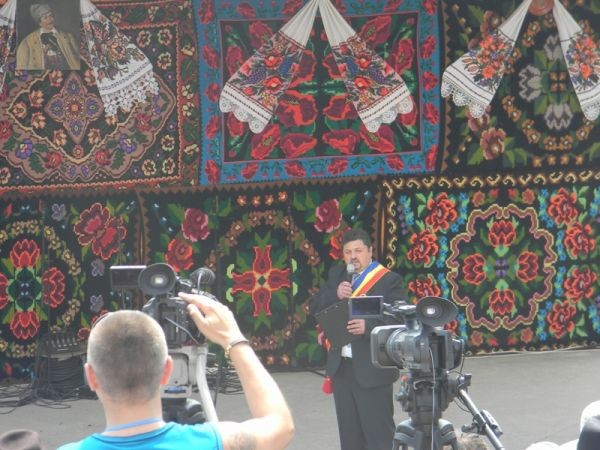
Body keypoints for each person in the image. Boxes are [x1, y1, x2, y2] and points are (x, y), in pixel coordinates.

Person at [57, 293, 294, 450]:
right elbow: (280, 426)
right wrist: (233, 339)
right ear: (167, 370)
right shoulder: (213, 442)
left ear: (91, 377)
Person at [309, 228, 408, 450]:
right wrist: (335, 294)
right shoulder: (338, 276)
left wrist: (368, 327)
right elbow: (314, 306)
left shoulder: (389, 280)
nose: (353, 257)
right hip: (342, 369)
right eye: (348, 252)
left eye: (358, 251)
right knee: (350, 438)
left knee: (379, 437)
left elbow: (400, 318)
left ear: (370, 251)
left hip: (372, 369)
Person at [16, 3, 80, 70]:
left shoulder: (69, 37)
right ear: (39, 23)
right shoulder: (26, 43)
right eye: (45, 17)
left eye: (51, 16)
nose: (49, 19)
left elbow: (79, 59)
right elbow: (21, 69)